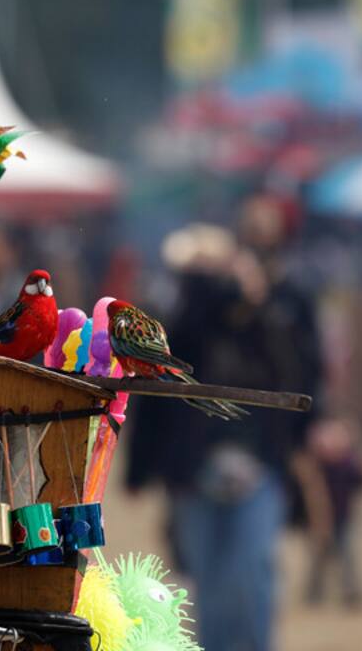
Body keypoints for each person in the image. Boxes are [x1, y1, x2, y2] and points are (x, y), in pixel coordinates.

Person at [126, 200, 322, 651]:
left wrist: (262, 304)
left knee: (251, 571)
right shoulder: (195, 299)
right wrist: (140, 468)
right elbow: (164, 375)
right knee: (205, 577)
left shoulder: (289, 302)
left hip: (261, 460)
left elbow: (298, 374)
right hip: (195, 464)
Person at [298, 416, 362, 608]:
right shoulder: (316, 466)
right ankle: (314, 594)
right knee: (318, 558)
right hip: (320, 519)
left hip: (343, 519)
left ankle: (351, 592)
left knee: (347, 555)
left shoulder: (350, 464)